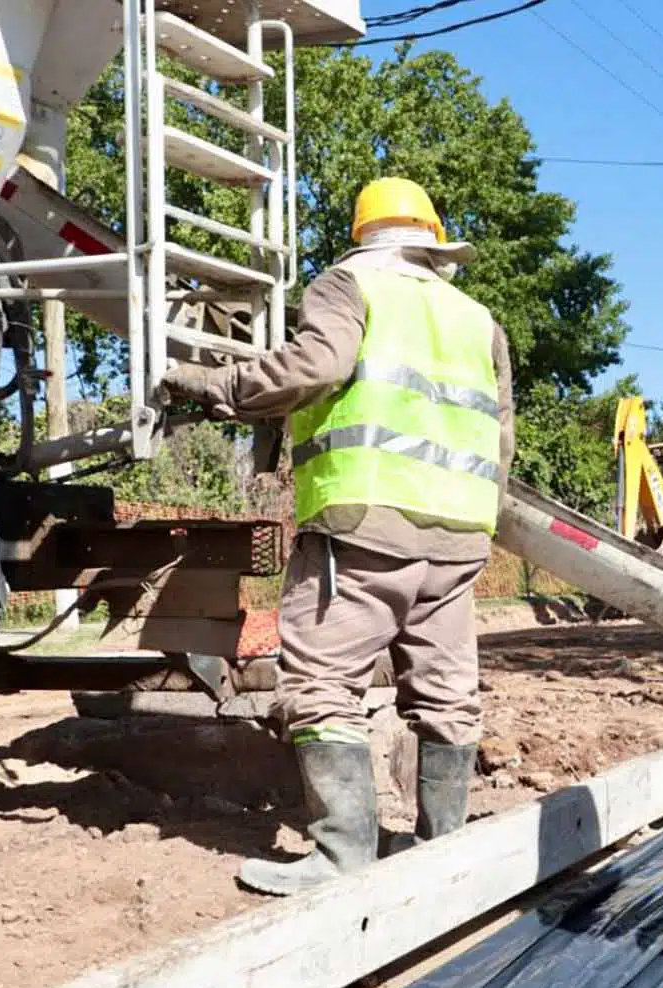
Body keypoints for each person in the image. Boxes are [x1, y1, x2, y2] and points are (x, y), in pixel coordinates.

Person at [159, 176, 514, 896]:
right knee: (448, 695)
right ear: (431, 241)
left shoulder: (351, 284)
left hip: (364, 527)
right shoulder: (478, 318)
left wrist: (217, 386)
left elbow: (317, 368)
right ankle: (442, 847)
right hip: (458, 536)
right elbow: (501, 433)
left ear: (365, 235)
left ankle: (344, 856)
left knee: (322, 686)